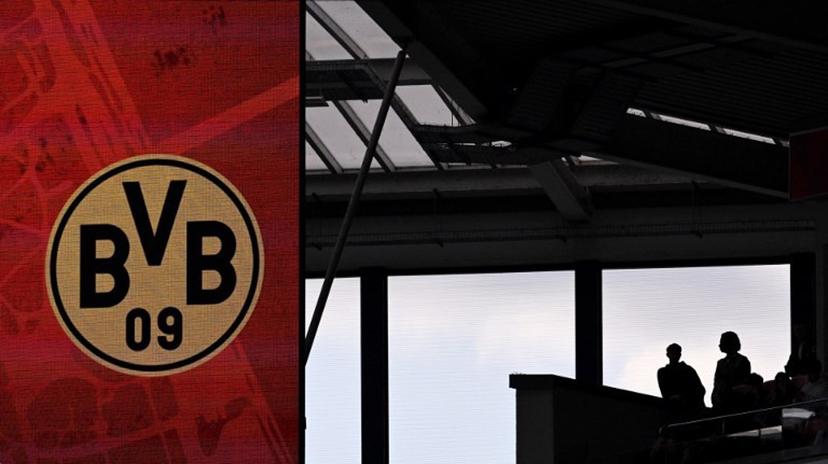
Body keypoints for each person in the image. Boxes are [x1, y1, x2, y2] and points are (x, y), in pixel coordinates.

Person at [657, 343, 706, 419]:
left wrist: (685, 397)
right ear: (668, 354)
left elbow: (700, 390)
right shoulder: (662, 372)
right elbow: (665, 393)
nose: (675, 355)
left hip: (691, 408)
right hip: (675, 409)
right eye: (673, 352)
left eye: (677, 352)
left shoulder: (688, 370)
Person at [712, 331, 752, 412]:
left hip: (737, 400)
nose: (719, 345)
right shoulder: (720, 363)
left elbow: (743, 381)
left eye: (722, 342)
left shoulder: (743, 360)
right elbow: (717, 382)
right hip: (722, 400)